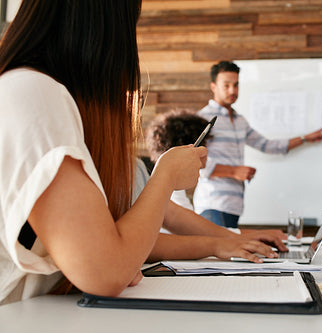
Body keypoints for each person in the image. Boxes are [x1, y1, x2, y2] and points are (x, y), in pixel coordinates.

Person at [0, 0, 276, 305]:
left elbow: (120, 247)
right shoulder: (33, 93)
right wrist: (167, 174)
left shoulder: (39, 95)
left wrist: (223, 242)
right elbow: (106, 271)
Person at [194, 60, 322, 228]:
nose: (232, 90)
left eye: (236, 85)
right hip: (212, 205)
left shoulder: (239, 120)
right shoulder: (202, 119)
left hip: (234, 206)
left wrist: (304, 138)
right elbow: (194, 161)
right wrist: (234, 171)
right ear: (213, 86)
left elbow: (267, 145)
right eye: (226, 85)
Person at [144, 110, 287, 241]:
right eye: (205, 146)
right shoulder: (169, 192)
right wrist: (252, 236)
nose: (207, 153)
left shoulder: (173, 189)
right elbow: (197, 237)